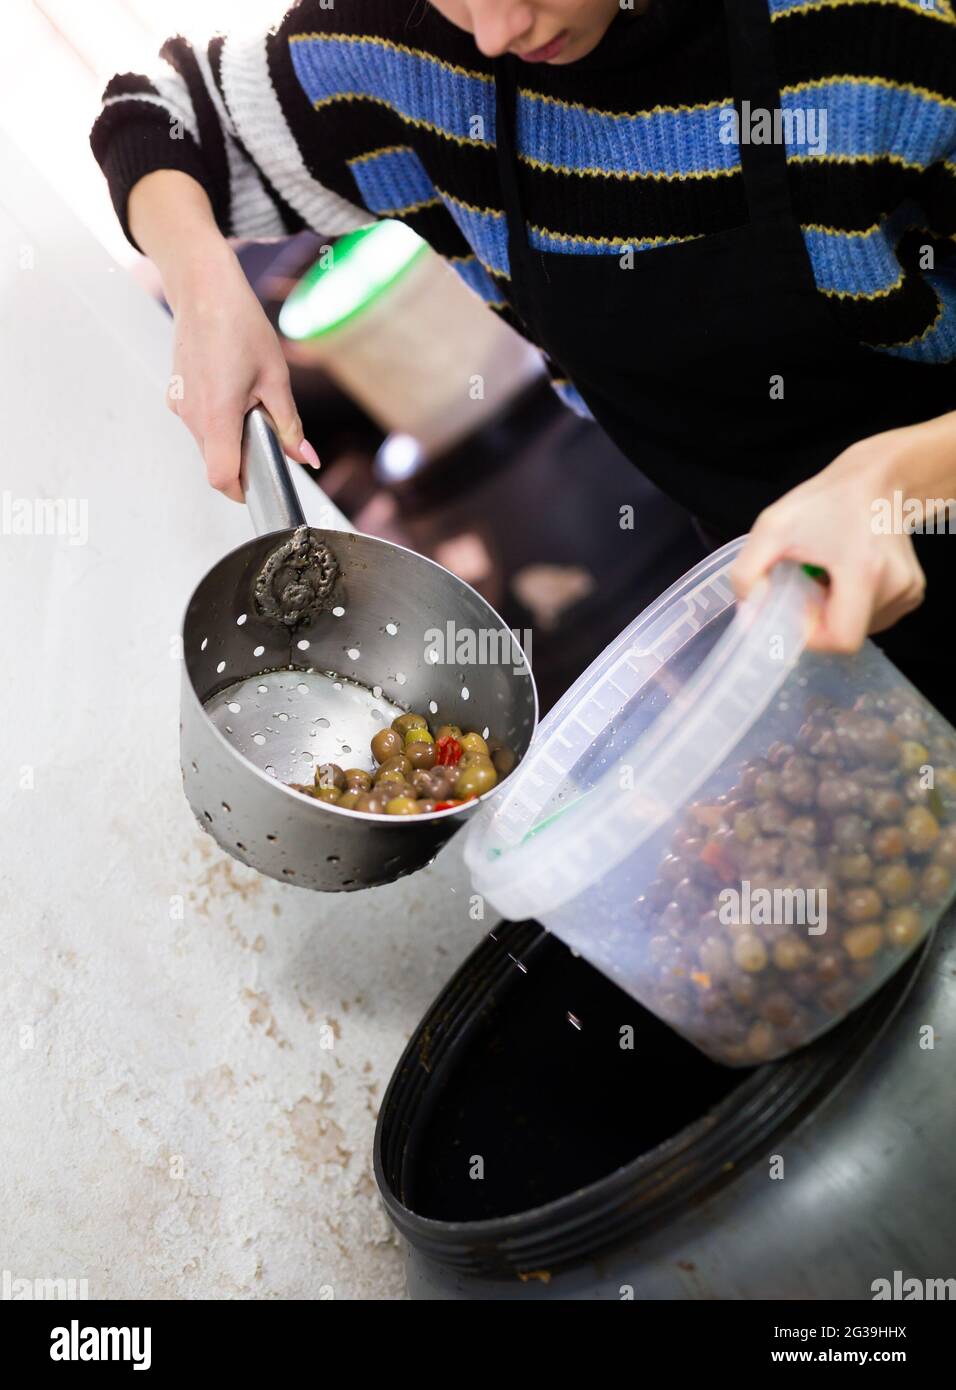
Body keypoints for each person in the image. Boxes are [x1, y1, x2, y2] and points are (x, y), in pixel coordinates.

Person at [91, 0, 956, 708]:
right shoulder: (409, 48)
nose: (496, 32)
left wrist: (890, 483)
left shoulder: (880, 31)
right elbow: (152, 109)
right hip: (816, 644)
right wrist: (204, 292)